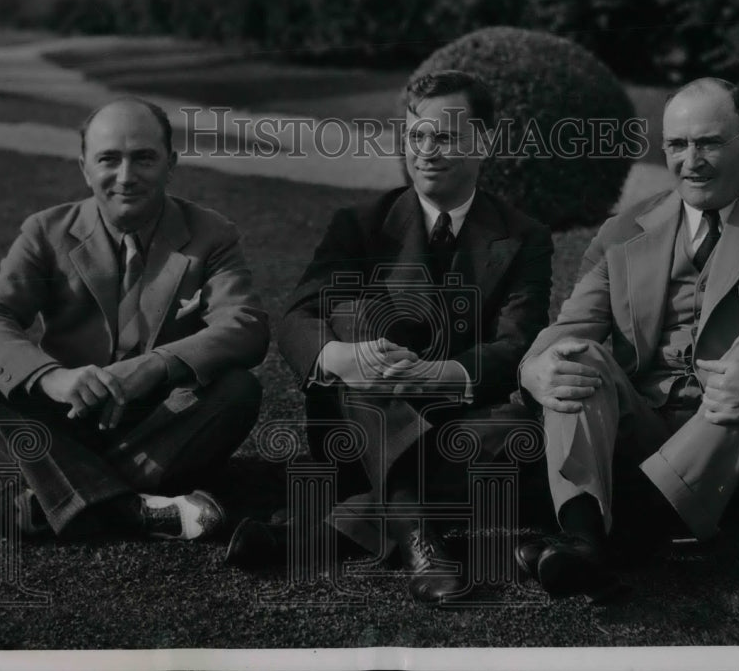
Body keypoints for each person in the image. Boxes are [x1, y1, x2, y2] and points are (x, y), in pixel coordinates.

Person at [517, 78, 739, 596]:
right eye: (677, 145)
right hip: (647, 422)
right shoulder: (624, 230)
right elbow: (569, 327)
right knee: (572, 355)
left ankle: (632, 528)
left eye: (709, 143)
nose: (691, 160)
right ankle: (583, 535)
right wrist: (532, 368)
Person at [227, 70, 553, 605]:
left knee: (522, 431)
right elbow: (298, 318)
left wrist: (436, 373)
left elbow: (517, 344)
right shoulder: (360, 224)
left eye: (445, 137)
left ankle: (319, 533)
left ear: (485, 142)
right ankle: (418, 535)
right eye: (415, 135)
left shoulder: (523, 237)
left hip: (459, 424)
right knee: (356, 325)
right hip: (357, 426)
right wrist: (343, 358)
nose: (425, 151)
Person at [0, 97, 269, 542]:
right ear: (84, 167)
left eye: (143, 158)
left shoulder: (211, 233)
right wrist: (51, 378)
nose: (125, 177)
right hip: (67, 416)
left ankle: (62, 498)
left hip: (164, 419)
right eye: (108, 160)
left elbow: (247, 326)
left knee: (238, 389)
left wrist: (154, 366)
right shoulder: (46, 230)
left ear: (170, 163)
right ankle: (137, 511)